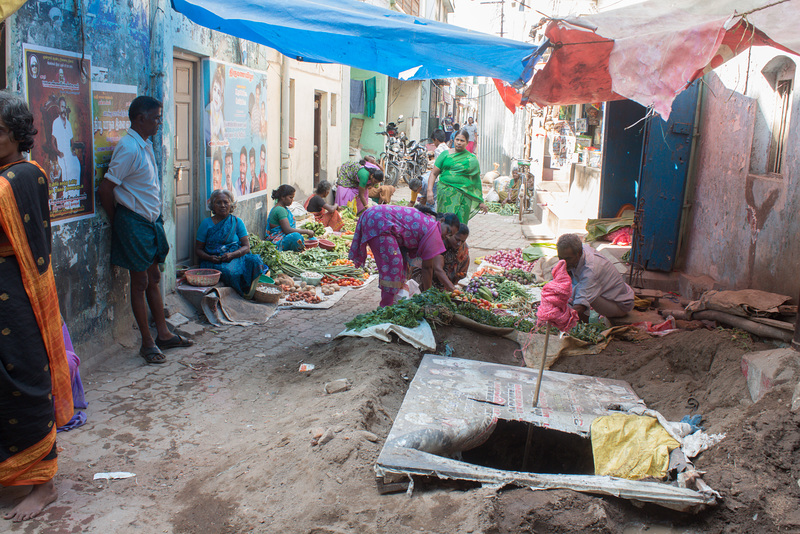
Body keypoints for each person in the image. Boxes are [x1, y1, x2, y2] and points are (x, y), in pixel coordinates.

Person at [0, 91, 72, 522]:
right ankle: (11, 475)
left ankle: (43, 483)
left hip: (16, 295)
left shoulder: (24, 176)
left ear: (14, 134)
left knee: (24, 379)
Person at [98, 96, 193, 365]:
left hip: (150, 221)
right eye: (155, 118)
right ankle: (147, 342)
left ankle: (162, 333)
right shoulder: (128, 147)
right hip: (134, 221)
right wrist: (120, 223)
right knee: (139, 282)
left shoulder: (144, 144)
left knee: (153, 276)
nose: (158, 122)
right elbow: (106, 189)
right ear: (140, 118)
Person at [349, 205, 460, 307]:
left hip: (375, 217)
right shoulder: (434, 230)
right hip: (379, 221)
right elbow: (428, 267)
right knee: (393, 267)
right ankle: (385, 307)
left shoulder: (431, 222)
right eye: (448, 231)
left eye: (451, 235)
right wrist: (428, 295)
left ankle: (393, 302)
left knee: (399, 266)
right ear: (442, 221)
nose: (447, 236)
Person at [195, 189, 264, 297]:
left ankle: (249, 292)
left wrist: (232, 255)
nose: (222, 205)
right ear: (213, 205)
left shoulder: (237, 222)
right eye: (218, 202)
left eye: (226, 202)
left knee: (255, 260)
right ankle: (237, 294)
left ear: (231, 204)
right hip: (215, 260)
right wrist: (210, 257)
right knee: (230, 271)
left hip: (235, 256)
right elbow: (198, 249)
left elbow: (246, 247)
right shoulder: (206, 224)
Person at [556, 233, 634, 323]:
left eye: (568, 259)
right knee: (574, 290)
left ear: (579, 254)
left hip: (620, 306)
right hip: (609, 293)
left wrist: (557, 318)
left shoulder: (590, 271)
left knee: (582, 295)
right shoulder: (583, 249)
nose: (564, 262)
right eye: (560, 258)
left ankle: (582, 328)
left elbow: (579, 307)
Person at [427, 129, 488, 224]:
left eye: (462, 140)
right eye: (457, 140)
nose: (459, 143)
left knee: (460, 224)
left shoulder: (471, 159)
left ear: (467, 143)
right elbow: (434, 173)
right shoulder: (445, 155)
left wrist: (480, 200)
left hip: (464, 196)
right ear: (453, 140)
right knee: (445, 223)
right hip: (445, 194)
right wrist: (429, 191)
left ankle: (460, 239)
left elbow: (476, 181)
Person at [412, 222, 470, 289]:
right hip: (426, 276)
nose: (459, 244)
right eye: (457, 239)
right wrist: (453, 289)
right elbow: (438, 269)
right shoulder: (439, 242)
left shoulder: (463, 247)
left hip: (444, 281)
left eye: (462, 241)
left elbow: (463, 265)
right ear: (451, 234)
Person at [267, 184, 315, 251]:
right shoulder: (280, 210)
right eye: (290, 197)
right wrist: (307, 231)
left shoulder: (283, 208)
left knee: (298, 236)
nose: (292, 200)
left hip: (283, 237)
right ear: (282, 197)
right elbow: (288, 230)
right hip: (277, 242)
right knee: (295, 237)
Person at [51, 97, 81, 197]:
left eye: (64, 107)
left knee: (76, 165)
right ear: (59, 109)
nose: (63, 109)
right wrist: (58, 152)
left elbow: (71, 141)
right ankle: (66, 199)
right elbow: (52, 142)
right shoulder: (56, 122)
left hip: (69, 153)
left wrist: (73, 150)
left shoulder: (68, 123)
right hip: (61, 154)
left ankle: (74, 198)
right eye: (62, 107)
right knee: (66, 170)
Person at [205, 64, 226, 145]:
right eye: (215, 89)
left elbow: (223, 132)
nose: (216, 96)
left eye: (219, 92)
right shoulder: (208, 109)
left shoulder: (219, 113)